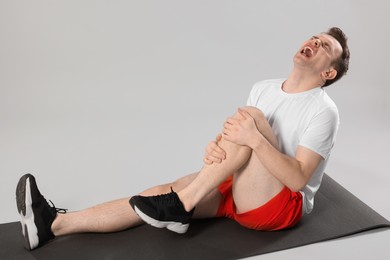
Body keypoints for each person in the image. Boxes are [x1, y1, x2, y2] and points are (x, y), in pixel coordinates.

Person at [16, 27, 350, 250]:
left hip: (278, 205)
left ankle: (184, 205)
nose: (315, 42)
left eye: (325, 47)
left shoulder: (324, 110)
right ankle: (54, 224)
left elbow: (296, 179)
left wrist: (253, 138)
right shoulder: (263, 87)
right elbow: (239, 140)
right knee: (157, 194)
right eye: (315, 37)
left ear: (328, 73)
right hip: (241, 184)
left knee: (253, 122)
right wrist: (218, 146)